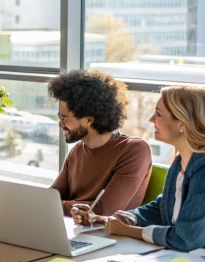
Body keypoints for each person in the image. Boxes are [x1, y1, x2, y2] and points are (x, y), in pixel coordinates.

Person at [73, 86, 205, 259]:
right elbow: (163, 206)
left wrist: (130, 231)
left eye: (158, 114)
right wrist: (125, 217)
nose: (152, 120)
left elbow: (186, 239)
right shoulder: (182, 160)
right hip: (201, 261)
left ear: (182, 124)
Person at [48, 69, 152, 216]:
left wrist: (56, 206)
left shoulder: (135, 149)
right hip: (74, 229)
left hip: (109, 235)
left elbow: (104, 210)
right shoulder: (77, 150)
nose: (60, 124)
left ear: (88, 120)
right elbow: (50, 197)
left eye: (63, 118)